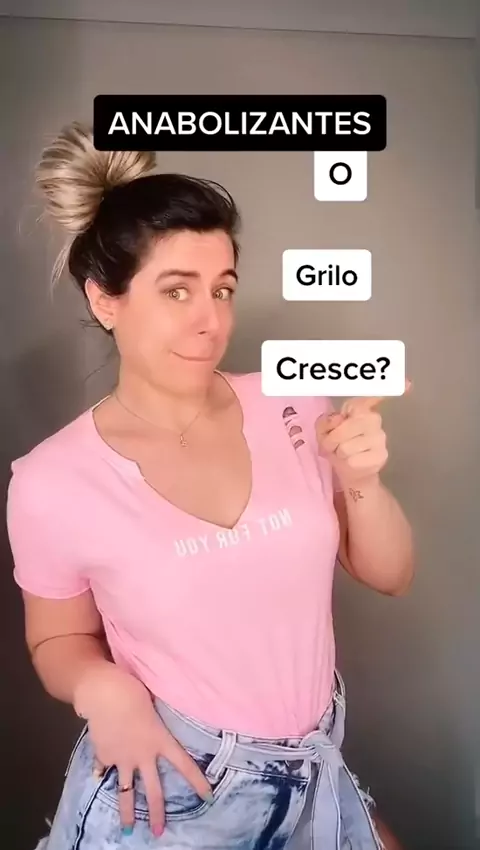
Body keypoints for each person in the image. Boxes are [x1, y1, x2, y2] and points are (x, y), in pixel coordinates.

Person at [7, 121, 414, 850]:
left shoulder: (294, 404)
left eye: (222, 289)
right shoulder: (51, 481)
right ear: (105, 300)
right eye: (177, 291)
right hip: (169, 782)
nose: (210, 320)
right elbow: (57, 636)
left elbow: (390, 573)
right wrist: (105, 689)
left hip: (313, 762)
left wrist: (362, 481)